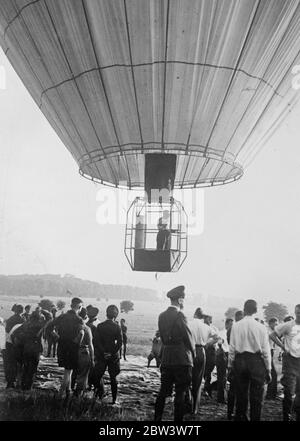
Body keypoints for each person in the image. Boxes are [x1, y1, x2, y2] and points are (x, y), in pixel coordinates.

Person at [154, 285, 194, 422]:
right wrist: (193, 354)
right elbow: (188, 338)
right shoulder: (180, 315)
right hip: (181, 359)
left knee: (163, 392)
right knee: (181, 392)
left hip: (166, 358)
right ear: (180, 300)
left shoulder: (161, 316)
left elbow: (163, 339)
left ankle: (156, 420)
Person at [228, 299, 271, 421]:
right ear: (256, 310)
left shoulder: (236, 326)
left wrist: (230, 366)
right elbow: (266, 351)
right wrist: (268, 368)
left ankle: (241, 417)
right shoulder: (261, 327)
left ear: (244, 309)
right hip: (256, 362)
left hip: (240, 361)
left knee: (241, 395)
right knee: (257, 397)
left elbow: (232, 349)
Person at [270, 304, 300, 421]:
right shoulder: (288, 325)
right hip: (290, 361)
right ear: (295, 312)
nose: (299, 315)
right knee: (288, 391)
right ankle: (286, 416)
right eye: (297, 312)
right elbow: (272, 335)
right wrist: (283, 347)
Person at [52, 297, 84, 396]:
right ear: (79, 306)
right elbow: (82, 333)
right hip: (72, 347)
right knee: (68, 372)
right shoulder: (79, 319)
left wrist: (57, 337)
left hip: (62, 346)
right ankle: (61, 394)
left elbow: (50, 326)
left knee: (67, 370)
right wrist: (77, 343)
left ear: (71, 305)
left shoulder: (62, 316)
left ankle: (68, 391)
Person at [188, 307, 218, 414]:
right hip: (201, 351)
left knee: (187, 379)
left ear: (194, 315)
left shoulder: (188, 324)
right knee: (198, 380)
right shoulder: (205, 327)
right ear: (202, 317)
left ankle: (187, 403)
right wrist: (206, 344)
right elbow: (217, 338)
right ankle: (194, 408)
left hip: (189, 351)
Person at [94, 305, 122, 404]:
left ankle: (99, 395)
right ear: (116, 315)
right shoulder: (117, 327)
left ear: (106, 314)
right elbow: (119, 343)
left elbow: (96, 341)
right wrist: (111, 353)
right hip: (113, 356)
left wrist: (103, 352)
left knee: (98, 376)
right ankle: (114, 400)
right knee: (113, 378)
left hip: (102, 355)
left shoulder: (100, 326)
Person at [13, 310, 47, 390]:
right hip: (35, 349)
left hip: (26, 348)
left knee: (26, 367)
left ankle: (23, 386)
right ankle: (28, 387)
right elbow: (50, 318)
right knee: (32, 369)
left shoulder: (26, 324)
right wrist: (43, 311)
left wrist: (22, 341)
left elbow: (15, 333)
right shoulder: (40, 324)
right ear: (39, 317)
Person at [72, 308, 95, 396]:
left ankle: (69, 393)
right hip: (83, 353)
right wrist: (92, 359)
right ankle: (78, 396)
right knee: (82, 375)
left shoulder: (72, 327)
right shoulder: (86, 328)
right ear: (86, 316)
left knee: (72, 374)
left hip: (73, 352)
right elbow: (90, 345)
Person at [3, 304, 25, 388]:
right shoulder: (23, 319)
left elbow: (7, 331)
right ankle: (17, 381)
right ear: (21, 311)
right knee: (17, 363)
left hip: (8, 343)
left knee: (9, 363)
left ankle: (10, 382)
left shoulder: (10, 319)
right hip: (17, 344)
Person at [227, 309, 244, 420]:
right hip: (244, 360)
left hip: (235, 360)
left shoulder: (231, 329)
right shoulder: (245, 328)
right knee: (242, 389)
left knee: (233, 389)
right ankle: (239, 413)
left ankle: (229, 413)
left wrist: (230, 364)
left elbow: (230, 346)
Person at [215, 318, 233, 404]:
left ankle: (225, 397)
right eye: (230, 325)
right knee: (222, 377)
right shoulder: (222, 333)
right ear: (226, 324)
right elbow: (219, 343)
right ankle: (221, 398)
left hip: (229, 354)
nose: (231, 326)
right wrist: (222, 352)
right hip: (223, 355)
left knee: (227, 377)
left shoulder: (233, 333)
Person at [203, 315, 218, 397]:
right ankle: (206, 388)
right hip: (203, 349)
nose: (206, 320)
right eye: (205, 318)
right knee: (205, 371)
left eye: (208, 319)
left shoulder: (214, 329)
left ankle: (207, 388)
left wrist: (209, 343)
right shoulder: (201, 327)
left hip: (211, 350)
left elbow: (218, 339)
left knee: (209, 369)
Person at [266, 317, 279, 400]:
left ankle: (271, 394)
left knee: (272, 373)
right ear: (271, 323)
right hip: (267, 352)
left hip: (270, 351)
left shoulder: (271, 330)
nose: (276, 326)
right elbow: (275, 339)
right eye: (275, 324)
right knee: (273, 374)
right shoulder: (268, 331)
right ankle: (271, 394)